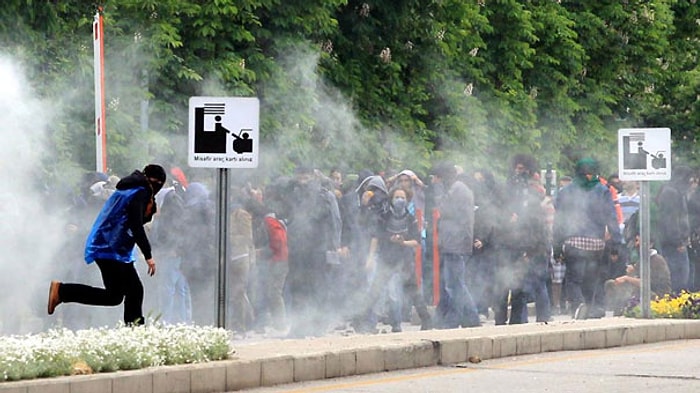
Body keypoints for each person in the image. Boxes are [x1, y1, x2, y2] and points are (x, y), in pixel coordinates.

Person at [47, 164, 167, 325]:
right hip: (110, 248)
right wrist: (148, 255)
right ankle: (135, 331)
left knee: (116, 296)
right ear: (156, 181)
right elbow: (136, 224)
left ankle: (62, 292)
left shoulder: (131, 188)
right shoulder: (141, 192)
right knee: (134, 290)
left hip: (112, 247)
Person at [553, 158, 621, 320]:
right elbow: (611, 218)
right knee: (591, 280)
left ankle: (578, 305)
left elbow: (559, 221)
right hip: (596, 244)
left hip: (573, 243)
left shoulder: (566, 191)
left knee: (573, 280)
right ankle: (590, 310)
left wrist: (557, 246)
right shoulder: (602, 190)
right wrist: (616, 245)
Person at [431, 161, 480, 329]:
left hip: (456, 243)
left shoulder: (457, 189)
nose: (436, 181)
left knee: (455, 284)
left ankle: (464, 318)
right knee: (454, 283)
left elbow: (444, 210)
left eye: (437, 178)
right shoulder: (457, 188)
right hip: (453, 242)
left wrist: (438, 192)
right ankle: (469, 319)